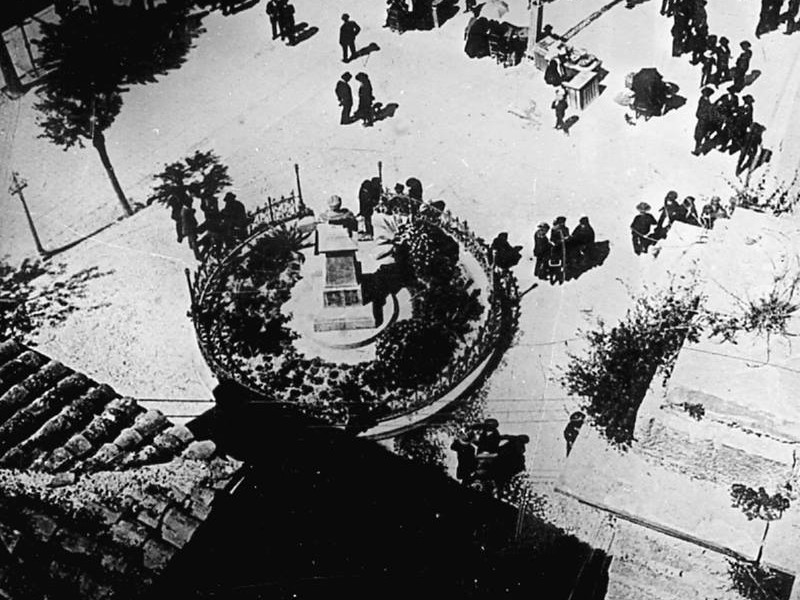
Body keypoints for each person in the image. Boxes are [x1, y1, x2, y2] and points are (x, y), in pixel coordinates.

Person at [693, 87, 715, 155]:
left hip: (704, 120)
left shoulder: (705, 100)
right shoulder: (704, 100)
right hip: (703, 120)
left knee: (701, 135)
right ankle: (699, 150)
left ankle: (700, 150)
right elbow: (701, 110)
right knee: (699, 135)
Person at [549, 216, 569, 284]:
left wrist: (566, 239)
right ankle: (552, 276)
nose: (562, 224)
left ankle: (560, 277)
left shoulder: (566, 229)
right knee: (555, 263)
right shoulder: (554, 230)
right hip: (556, 249)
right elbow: (552, 239)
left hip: (564, 249)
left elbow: (567, 237)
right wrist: (558, 241)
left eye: (563, 223)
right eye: (561, 223)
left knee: (563, 263)